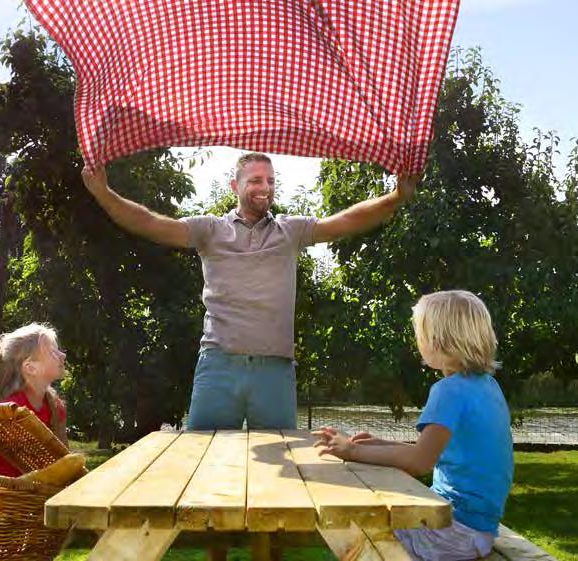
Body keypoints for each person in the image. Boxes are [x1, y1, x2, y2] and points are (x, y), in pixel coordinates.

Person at [82, 153, 418, 430]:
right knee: (203, 462)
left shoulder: (291, 231)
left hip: (274, 370)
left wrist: (395, 197)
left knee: (278, 479)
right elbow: (151, 224)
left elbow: (345, 221)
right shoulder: (209, 230)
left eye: (270, 181)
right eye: (256, 180)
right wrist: (103, 193)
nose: (265, 187)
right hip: (218, 366)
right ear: (235, 185)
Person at [314, 290, 514, 561]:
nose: (417, 341)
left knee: (345, 529)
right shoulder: (487, 386)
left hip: (451, 533)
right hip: (479, 532)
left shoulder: (449, 391)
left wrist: (353, 452)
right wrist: (378, 444)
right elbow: (432, 450)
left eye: (419, 333)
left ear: (437, 340)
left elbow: (420, 461)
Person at [0, 322, 68, 477]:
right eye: (53, 353)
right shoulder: (12, 411)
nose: (63, 355)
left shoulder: (55, 406)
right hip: (8, 497)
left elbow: (65, 459)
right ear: (30, 368)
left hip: (36, 494)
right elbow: (38, 467)